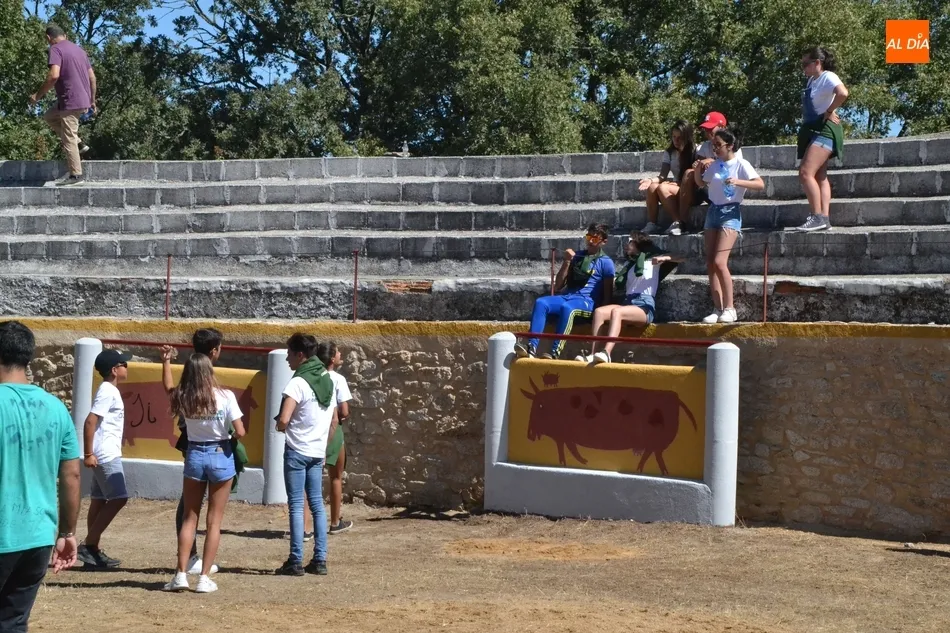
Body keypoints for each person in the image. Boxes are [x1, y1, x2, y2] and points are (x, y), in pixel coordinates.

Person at [0, 321, 80, 630]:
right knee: (13, 623)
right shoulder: (56, 408)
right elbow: (72, 475)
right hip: (37, 539)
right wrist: (67, 533)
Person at [160, 349, 245, 594]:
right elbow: (240, 431)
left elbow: (168, 387)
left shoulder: (184, 397)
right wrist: (228, 436)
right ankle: (204, 577)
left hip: (195, 453)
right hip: (220, 452)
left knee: (190, 517)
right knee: (214, 522)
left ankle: (180, 574)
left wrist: (166, 362)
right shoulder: (226, 396)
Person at [275, 334, 337, 577]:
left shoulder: (298, 382)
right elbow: (333, 420)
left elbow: (283, 419)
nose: (287, 359)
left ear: (300, 355)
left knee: (296, 505)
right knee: (317, 505)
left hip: (297, 449)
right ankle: (320, 559)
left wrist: (280, 427)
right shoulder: (327, 380)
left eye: (289, 354)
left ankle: (295, 559)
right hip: (316, 451)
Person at [578, 232, 683, 364]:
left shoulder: (652, 260)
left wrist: (665, 258)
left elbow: (681, 257)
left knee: (617, 312)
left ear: (638, 243)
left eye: (630, 242)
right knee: (599, 312)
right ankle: (592, 353)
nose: (626, 245)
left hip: (643, 305)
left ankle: (606, 353)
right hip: (628, 302)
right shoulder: (630, 265)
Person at [514, 223, 616, 360]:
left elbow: (608, 293)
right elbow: (558, 286)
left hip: (586, 302)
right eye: (588, 237)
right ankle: (531, 347)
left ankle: (555, 352)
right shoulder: (577, 256)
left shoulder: (606, 262)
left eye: (595, 239)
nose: (590, 241)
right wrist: (567, 261)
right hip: (568, 296)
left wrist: (602, 316)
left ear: (603, 242)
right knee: (541, 302)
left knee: (568, 308)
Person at [694, 127, 765, 324]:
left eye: (718, 145)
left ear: (730, 145)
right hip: (713, 211)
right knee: (710, 262)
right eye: (713, 146)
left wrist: (738, 181)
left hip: (730, 212)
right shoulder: (715, 165)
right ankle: (717, 308)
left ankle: (730, 308)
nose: (715, 149)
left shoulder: (741, 164)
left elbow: (760, 184)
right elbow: (701, 183)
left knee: (719, 262)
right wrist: (698, 170)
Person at [172, 328, 224, 576]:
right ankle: (190, 558)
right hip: (208, 444)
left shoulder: (189, 374)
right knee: (195, 510)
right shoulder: (209, 382)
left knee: (190, 507)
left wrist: (165, 364)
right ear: (214, 351)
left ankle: (187, 559)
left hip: (192, 444)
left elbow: (170, 392)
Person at [77, 349, 132, 569]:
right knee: (119, 498)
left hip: (103, 453)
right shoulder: (108, 390)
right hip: (106, 454)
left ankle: (92, 553)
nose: (127, 367)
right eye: (123, 364)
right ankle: (88, 545)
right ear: (114, 370)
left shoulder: (109, 390)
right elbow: (90, 421)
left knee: (99, 500)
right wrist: (88, 453)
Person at [28, 24, 97, 187]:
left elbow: (54, 76)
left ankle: (76, 175)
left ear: (48, 38)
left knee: (68, 137)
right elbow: (92, 78)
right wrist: (92, 100)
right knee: (49, 116)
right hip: (81, 99)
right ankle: (79, 143)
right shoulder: (80, 51)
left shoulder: (55, 49)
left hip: (70, 100)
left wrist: (37, 96)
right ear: (65, 35)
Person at [796, 46, 848, 233]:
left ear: (817, 62)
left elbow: (843, 93)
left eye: (806, 63)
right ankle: (824, 219)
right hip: (814, 129)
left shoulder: (828, 77)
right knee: (820, 176)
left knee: (805, 173)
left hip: (825, 130)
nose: (803, 67)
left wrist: (829, 110)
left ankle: (816, 216)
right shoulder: (812, 80)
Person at [678, 112, 744, 230]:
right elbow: (699, 167)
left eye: (711, 129)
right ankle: (681, 222)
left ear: (722, 128)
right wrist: (698, 166)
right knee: (689, 173)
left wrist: (712, 161)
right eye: (706, 129)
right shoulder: (705, 146)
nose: (708, 133)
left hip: (727, 191)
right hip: (706, 187)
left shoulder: (732, 146)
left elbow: (733, 167)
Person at [317, 342, 354, 535]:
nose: (341, 354)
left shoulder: (313, 377)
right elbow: (344, 411)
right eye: (338, 352)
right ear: (332, 358)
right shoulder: (338, 379)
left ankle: (306, 526)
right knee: (336, 477)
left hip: (314, 429)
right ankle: (334, 521)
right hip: (333, 428)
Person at [640, 121, 695, 236]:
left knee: (663, 187)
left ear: (687, 137)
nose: (676, 140)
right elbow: (662, 176)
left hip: (690, 189)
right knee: (652, 187)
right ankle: (652, 223)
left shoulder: (695, 150)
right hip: (676, 186)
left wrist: (677, 183)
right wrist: (650, 180)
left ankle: (679, 223)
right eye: (674, 137)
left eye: (679, 137)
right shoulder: (669, 153)